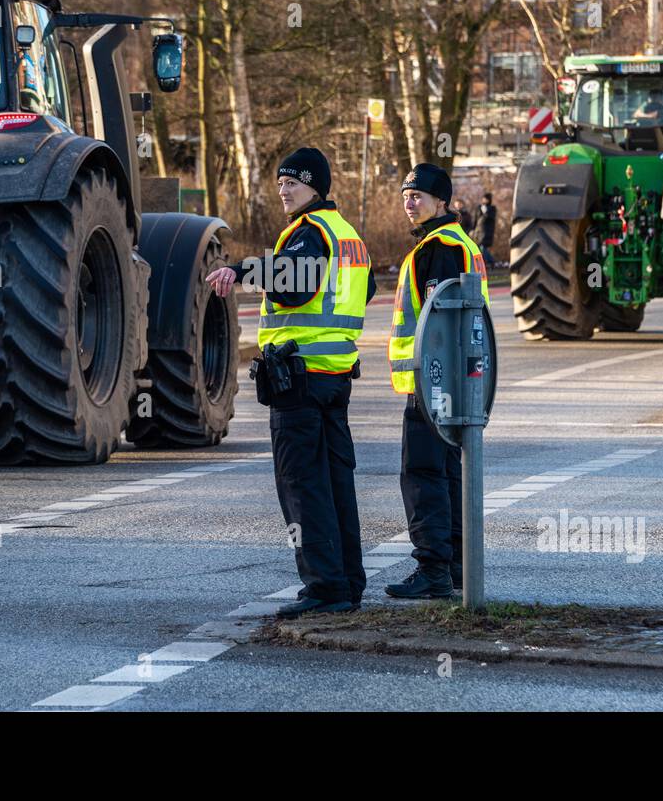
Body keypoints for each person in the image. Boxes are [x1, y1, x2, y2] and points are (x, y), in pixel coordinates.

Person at [206, 147, 374, 616]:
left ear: (315, 186)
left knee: (303, 485)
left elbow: (295, 283)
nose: (283, 189)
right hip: (334, 377)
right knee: (336, 482)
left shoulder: (309, 233)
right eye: (280, 182)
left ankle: (325, 587)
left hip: (300, 380)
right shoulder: (347, 234)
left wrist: (238, 270)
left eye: (292, 182)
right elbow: (367, 290)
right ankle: (347, 582)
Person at [385, 163, 489, 599]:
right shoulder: (458, 243)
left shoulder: (437, 248)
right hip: (451, 383)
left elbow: (437, 321)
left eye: (419, 196)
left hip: (430, 386)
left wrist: (430, 383)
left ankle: (433, 571)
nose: (410, 202)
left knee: (423, 475)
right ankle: (456, 569)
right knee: (448, 476)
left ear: (441, 202)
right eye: (406, 195)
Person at [478, 191, 498, 267]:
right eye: (483, 199)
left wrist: (485, 212)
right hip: (479, 232)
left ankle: (485, 264)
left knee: (483, 248)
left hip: (487, 231)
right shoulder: (479, 207)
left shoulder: (492, 208)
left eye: (486, 199)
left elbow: (491, 218)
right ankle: (491, 261)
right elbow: (476, 219)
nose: (484, 200)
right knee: (481, 248)